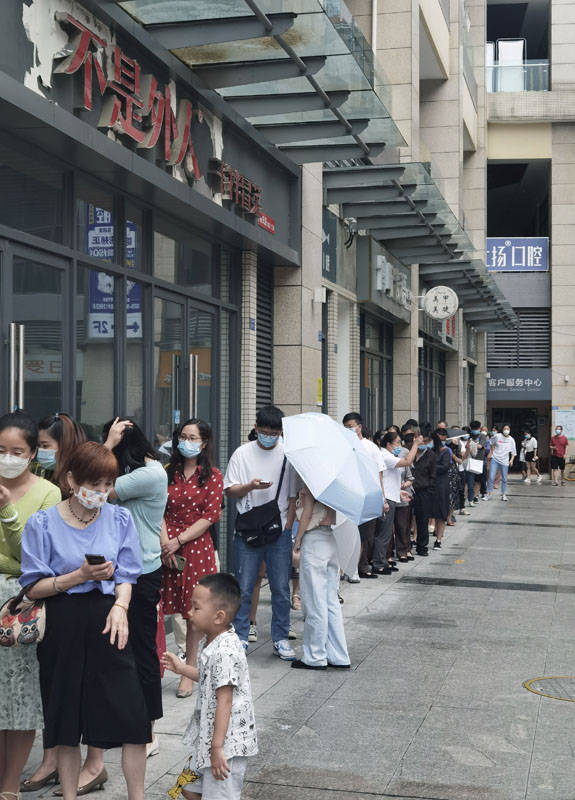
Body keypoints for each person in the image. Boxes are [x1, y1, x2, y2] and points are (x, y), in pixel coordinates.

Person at [20, 441, 149, 800]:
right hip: (63, 622)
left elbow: (128, 575)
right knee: (64, 719)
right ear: (71, 478)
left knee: (131, 713)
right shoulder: (42, 523)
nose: (102, 493)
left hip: (110, 618)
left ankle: (137, 796)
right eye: (95, 485)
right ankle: (68, 795)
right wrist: (78, 576)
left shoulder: (120, 518)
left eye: (108, 485)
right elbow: (32, 587)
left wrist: (121, 606)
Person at [0, 412, 61, 800]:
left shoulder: (47, 493)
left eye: (16, 451)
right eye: (1, 450)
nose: (7, 458)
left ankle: (9, 786)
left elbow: (35, 559)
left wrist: (7, 512)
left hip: (20, 601)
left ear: (33, 452)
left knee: (19, 695)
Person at [161, 573, 258, 800]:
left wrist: (217, 748)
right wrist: (181, 668)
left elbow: (225, 700)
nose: (189, 614)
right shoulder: (213, 640)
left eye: (196, 608)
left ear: (218, 616)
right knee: (186, 787)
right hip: (208, 739)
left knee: (218, 795)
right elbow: (209, 677)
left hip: (225, 746)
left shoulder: (225, 651)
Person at [225, 405, 297, 659]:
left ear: (280, 432)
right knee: (244, 585)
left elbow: (292, 496)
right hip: (248, 528)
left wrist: (288, 528)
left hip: (278, 531)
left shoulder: (288, 454)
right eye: (264, 431)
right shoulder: (242, 454)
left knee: (280, 587)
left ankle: (280, 637)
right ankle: (241, 635)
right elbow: (230, 490)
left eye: (274, 432)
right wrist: (250, 486)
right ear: (255, 428)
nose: (268, 436)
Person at [161, 419, 223, 698]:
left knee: (193, 611)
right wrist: (165, 542)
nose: (186, 442)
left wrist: (178, 540)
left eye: (193, 437)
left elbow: (209, 517)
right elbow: (157, 508)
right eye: (183, 436)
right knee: (167, 606)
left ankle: (189, 667)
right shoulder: (166, 472)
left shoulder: (212, 476)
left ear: (204, 443)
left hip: (195, 547)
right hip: (165, 547)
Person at [290, 482, 349, 670]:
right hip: (331, 537)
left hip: (314, 538)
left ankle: (315, 656)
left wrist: (298, 538)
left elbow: (307, 512)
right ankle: (339, 655)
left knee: (314, 600)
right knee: (331, 600)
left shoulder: (314, 477)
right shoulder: (337, 480)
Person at [342, 413, 388, 578]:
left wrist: (382, 498)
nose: (349, 429)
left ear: (359, 427)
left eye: (351, 426)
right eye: (345, 427)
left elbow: (379, 474)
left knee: (363, 536)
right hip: (348, 496)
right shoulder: (342, 446)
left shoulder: (370, 447)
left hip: (368, 497)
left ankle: (356, 568)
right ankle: (346, 567)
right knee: (347, 533)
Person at [371, 431, 421, 573]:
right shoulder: (385, 456)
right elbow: (407, 461)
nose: (400, 445)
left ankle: (382, 561)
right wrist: (416, 444)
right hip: (386, 499)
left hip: (392, 496)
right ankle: (379, 564)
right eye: (397, 442)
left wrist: (399, 491)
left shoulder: (388, 455)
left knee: (387, 533)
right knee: (384, 533)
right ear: (388, 444)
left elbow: (388, 479)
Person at [33, 413, 87, 495]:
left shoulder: (82, 481)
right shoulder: (47, 475)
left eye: (45, 445)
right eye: (39, 445)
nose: (40, 450)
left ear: (65, 444)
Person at [411, 426, 436, 556]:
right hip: (408, 490)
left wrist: (429, 490)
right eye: (422, 440)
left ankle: (422, 547)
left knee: (422, 520)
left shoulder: (431, 455)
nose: (423, 444)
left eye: (426, 441)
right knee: (405, 519)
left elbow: (433, 475)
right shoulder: (409, 451)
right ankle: (405, 547)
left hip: (424, 491)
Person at [432, 429, 452, 548]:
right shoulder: (429, 451)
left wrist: (431, 466)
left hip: (441, 485)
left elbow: (445, 467)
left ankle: (438, 539)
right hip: (430, 484)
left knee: (441, 513)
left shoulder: (446, 452)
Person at [486, 424, 516, 501]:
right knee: (491, 477)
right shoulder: (497, 436)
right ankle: (488, 494)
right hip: (495, 459)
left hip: (505, 461)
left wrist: (511, 460)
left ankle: (504, 494)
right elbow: (491, 443)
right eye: (505, 428)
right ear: (502, 429)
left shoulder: (511, 440)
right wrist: (491, 452)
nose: (506, 430)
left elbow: (513, 452)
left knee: (504, 479)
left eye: (508, 429)